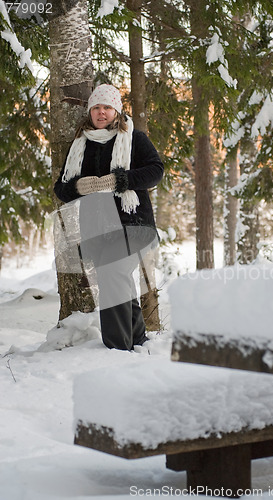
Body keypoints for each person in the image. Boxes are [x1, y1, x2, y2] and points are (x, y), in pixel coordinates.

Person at [54, 84, 164, 351]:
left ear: (117, 111)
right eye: (96, 107)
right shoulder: (81, 145)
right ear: (90, 111)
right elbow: (61, 187)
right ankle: (137, 339)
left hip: (132, 223)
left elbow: (156, 170)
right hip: (98, 226)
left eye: (107, 107)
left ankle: (117, 348)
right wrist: (79, 188)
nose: (101, 112)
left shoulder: (134, 138)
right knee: (117, 278)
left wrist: (122, 180)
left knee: (114, 273)